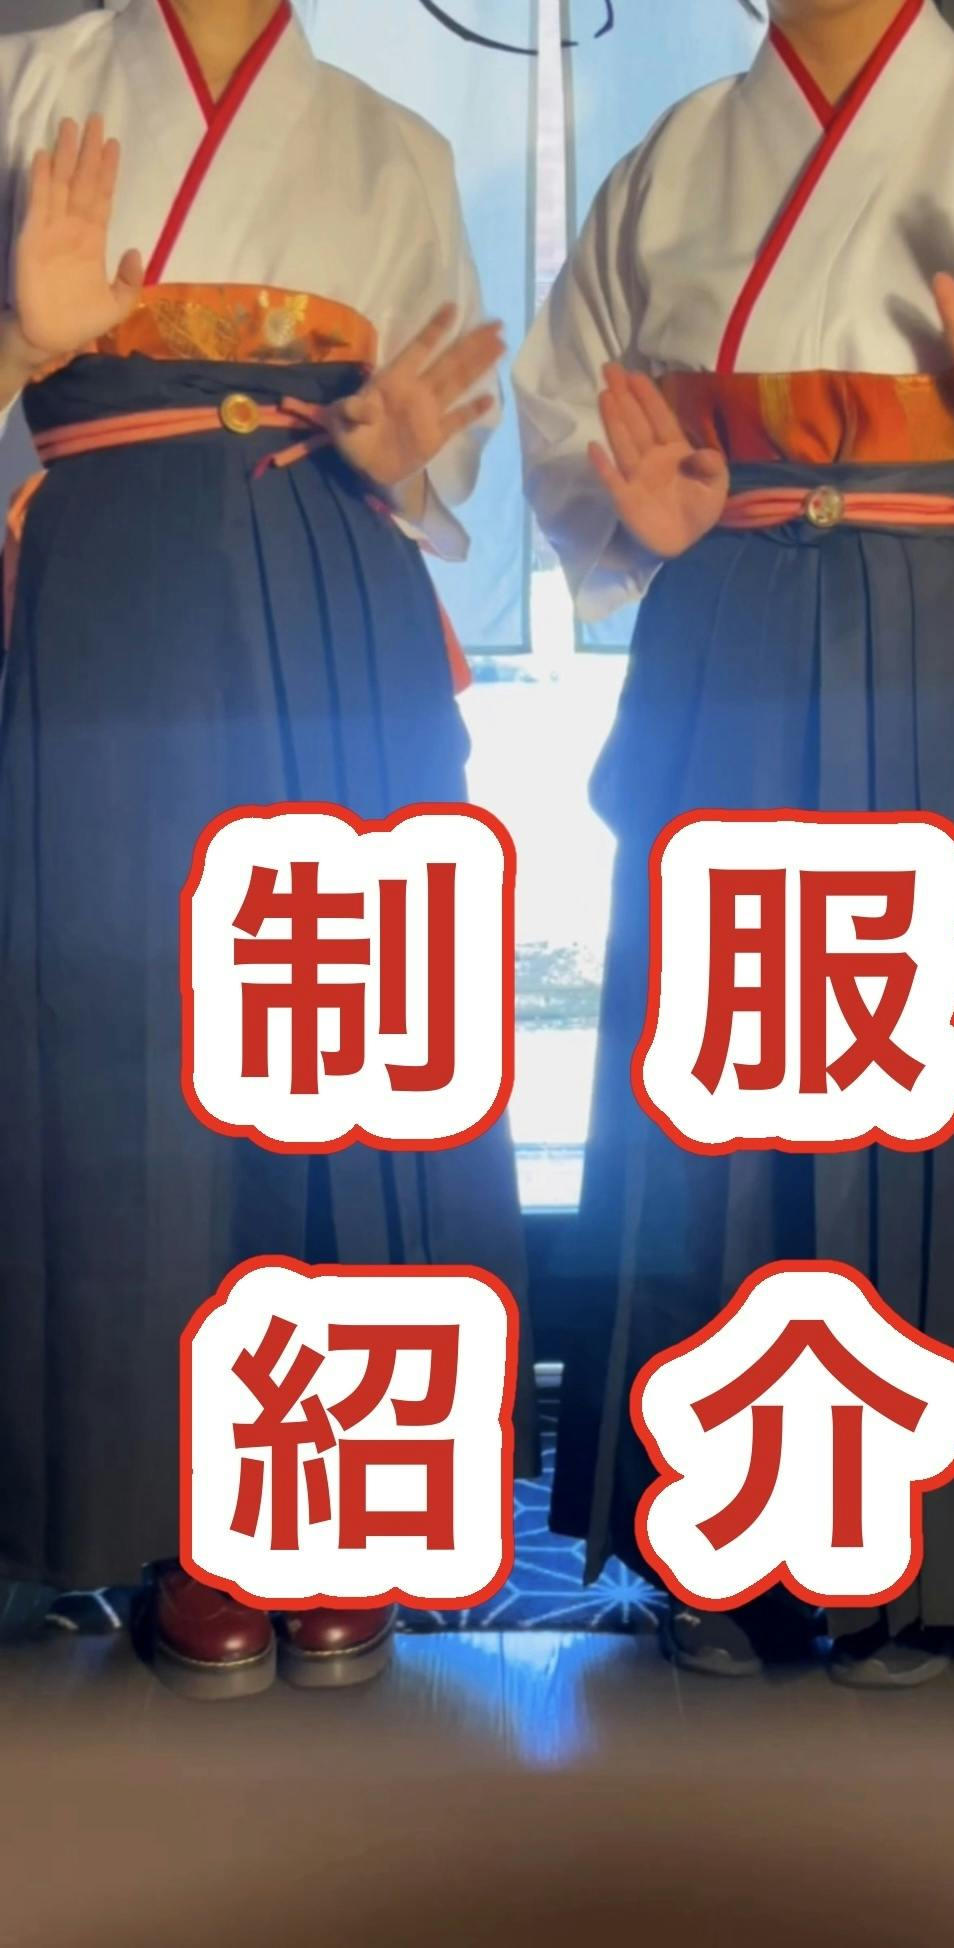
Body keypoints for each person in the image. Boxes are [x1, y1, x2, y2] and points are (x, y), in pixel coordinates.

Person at [514, 0, 954, 1684]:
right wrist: (631, 514)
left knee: (939, 1076)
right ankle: (714, 1545)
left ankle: (927, 1561)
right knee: (709, 1070)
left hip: (952, 640)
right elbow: (566, 424)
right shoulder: (669, 164)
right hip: (724, 627)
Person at [0, 0, 536, 1699]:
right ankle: (176, 1525)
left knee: (349, 1030)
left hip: (340, 600)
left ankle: (343, 1499)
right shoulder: (27, 88)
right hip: (110, 607)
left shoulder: (400, 147)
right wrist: (19, 344)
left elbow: (450, 456)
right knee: (130, 1045)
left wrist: (402, 459)